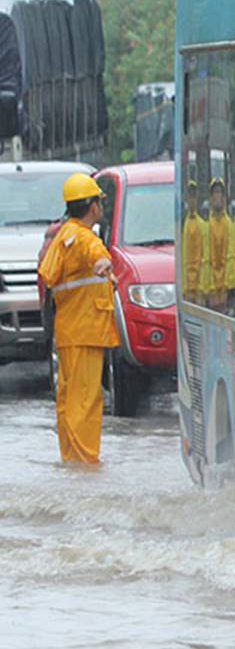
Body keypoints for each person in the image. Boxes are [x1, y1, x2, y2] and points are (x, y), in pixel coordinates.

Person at [36, 173, 120, 464]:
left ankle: (71, 462)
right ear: (93, 206)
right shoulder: (85, 238)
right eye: (100, 202)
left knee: (69, 402)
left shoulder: (63, 236)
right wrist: (104, 263)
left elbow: (48, 276)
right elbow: (96, 255)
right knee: (86, 402)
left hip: (70, 333)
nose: (102, 208)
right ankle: (87, 468)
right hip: (85, 331)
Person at [204, 177, 235, 312]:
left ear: (225, 198)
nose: (218, 196)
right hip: (210, 291)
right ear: (211, 198)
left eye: (220, 193)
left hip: (226, 290)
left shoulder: (230, 225)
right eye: (215, 193)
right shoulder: (206, 226)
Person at [181, 179, 208, 303]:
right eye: (189, 196)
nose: (192, 200)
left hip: (198, 289)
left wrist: (202, 287)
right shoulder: (182, 226)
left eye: (194, 196)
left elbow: (204, 257)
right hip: (185, 288)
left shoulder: (202, 225)